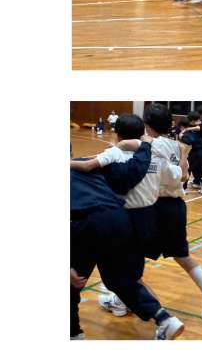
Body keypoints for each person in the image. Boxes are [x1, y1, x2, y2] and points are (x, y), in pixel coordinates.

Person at [102, 103, 202, 321]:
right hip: (177, 205)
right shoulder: (177, 144)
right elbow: (184, 176)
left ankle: (135, 306)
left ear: (147, 124)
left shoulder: (148, 144)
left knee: (131, 258)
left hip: (153, 206)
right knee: (182, 255)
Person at [70, 139, 185, 340]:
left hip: (88, 224)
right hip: (119, 219)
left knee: (72, 283)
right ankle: (164, 319)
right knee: (119, 279)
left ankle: (73, 334)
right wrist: (144, 146)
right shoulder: (88, 164)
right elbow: (131, 172)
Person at [178, 116, 202, 193]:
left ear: (181, 127)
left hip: (196, 152)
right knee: (197, 170)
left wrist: (182, 137)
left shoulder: (185, 134)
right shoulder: (193, 130)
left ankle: (183, 188)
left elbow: (188, 144)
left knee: (187, 169)